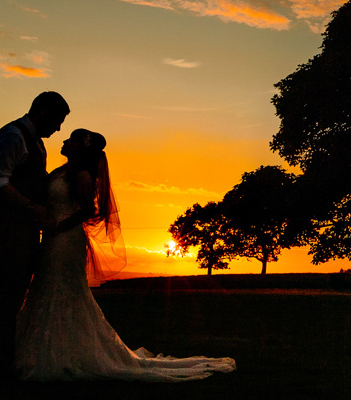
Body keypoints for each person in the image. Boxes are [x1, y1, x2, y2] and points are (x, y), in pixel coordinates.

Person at [13, 128, 236, 381]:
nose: (65, 140)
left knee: (60, 291)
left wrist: (58, 226)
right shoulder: (61, 171)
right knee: (46, 290)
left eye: (72, 139)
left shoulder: (81, 174)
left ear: (81, 147)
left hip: (65, 240)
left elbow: (88, 210)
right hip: (53, 240)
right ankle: (38, 350)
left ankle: (59, 355)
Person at [0, 91, 70, 381]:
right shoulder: (12, 136)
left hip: (26, 230)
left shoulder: (37, 145)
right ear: (43, 113)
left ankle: (5, 364)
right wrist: (32, 207)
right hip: (8, 229)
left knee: (15, 296)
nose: (58, 129)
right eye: (58, 121)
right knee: (5, 297)